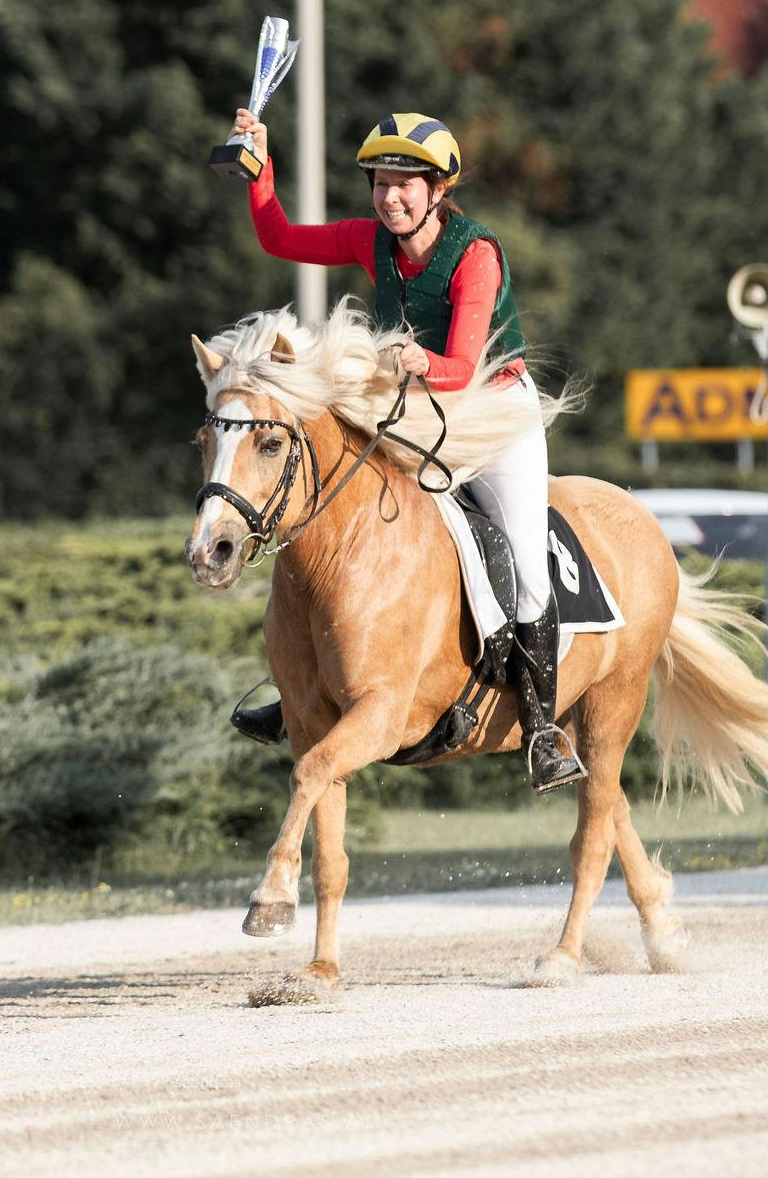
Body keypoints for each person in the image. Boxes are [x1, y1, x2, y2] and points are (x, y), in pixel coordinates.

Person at [220, 108, 582, 793]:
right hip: (417, 405)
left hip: (493, 412)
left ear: (439, 189)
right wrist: (260, 168)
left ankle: (542, 726)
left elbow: (460, 363)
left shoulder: (476, 254)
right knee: (332, 506)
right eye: (381, 182)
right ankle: (303, 683)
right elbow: (278, 238)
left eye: (406, 184)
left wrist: (416, 359)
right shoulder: (371, 241)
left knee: (528, 571)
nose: (390, 196)